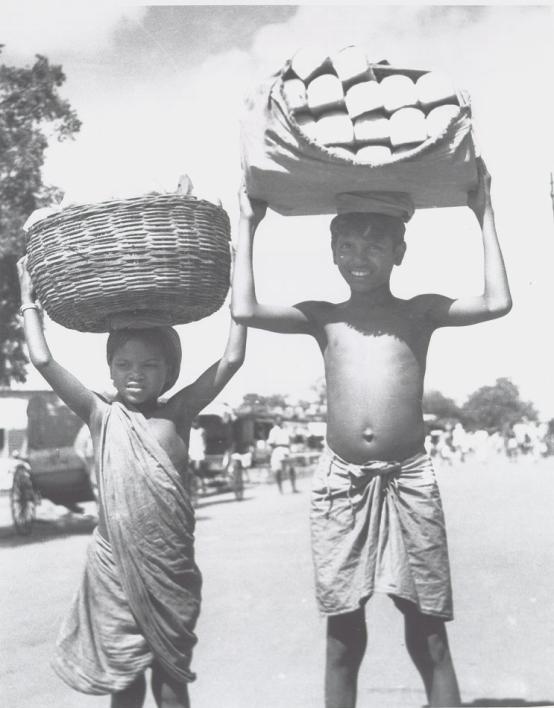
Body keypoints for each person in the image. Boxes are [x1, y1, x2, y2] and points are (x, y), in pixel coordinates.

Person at [231, 157, 511, 708]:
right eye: (348, 246)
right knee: (342, 635)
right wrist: (248, 223)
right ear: (333, 252)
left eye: (374, 246)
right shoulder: (323, 317)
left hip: (409, 479)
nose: (359, 257)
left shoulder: (420, 312)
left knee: (427, 630)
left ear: (400, 252)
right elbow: (244, 309)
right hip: (342, 483)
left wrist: (484, 214)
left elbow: (497, 301)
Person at [17, 256, 246, 708]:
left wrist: (237, 281)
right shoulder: (100, 414)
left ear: (169, 370)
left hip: (170, 568)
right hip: (113, 569)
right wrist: (28, 300)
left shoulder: (178, 414)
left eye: (149, 365)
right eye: (123, 364)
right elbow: (42, 359)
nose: (135, 374)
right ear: (110, 369)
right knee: (124, 679)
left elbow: (233, 358)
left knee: (171, 679)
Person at [267, 414, 298, 493]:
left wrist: (294, 429)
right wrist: (279, 446)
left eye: (281, 420)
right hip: (278, 450)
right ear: (275, 421)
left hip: (287, 450)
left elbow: (292, 437)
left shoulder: (285, 430)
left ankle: (293, 487)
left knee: (291, 468)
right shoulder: (273, 430)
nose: (280, 422)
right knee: (278, 470)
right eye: (278, 420)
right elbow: (270, 442)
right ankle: (280, 489)